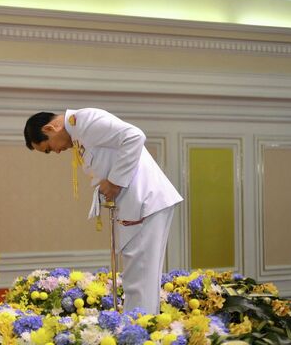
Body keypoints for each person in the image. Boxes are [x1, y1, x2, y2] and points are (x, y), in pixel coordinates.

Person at [23, 108, 183, 314]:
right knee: (139, 278)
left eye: (48, 148)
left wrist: (115, 182)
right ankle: (141, 328)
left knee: (140, 278)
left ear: (50, 128)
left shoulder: (84, 120)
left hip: (145, 201)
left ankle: (138, 332)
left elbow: (135, 136)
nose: (55, 152)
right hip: (136, 206)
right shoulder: (78, 132)